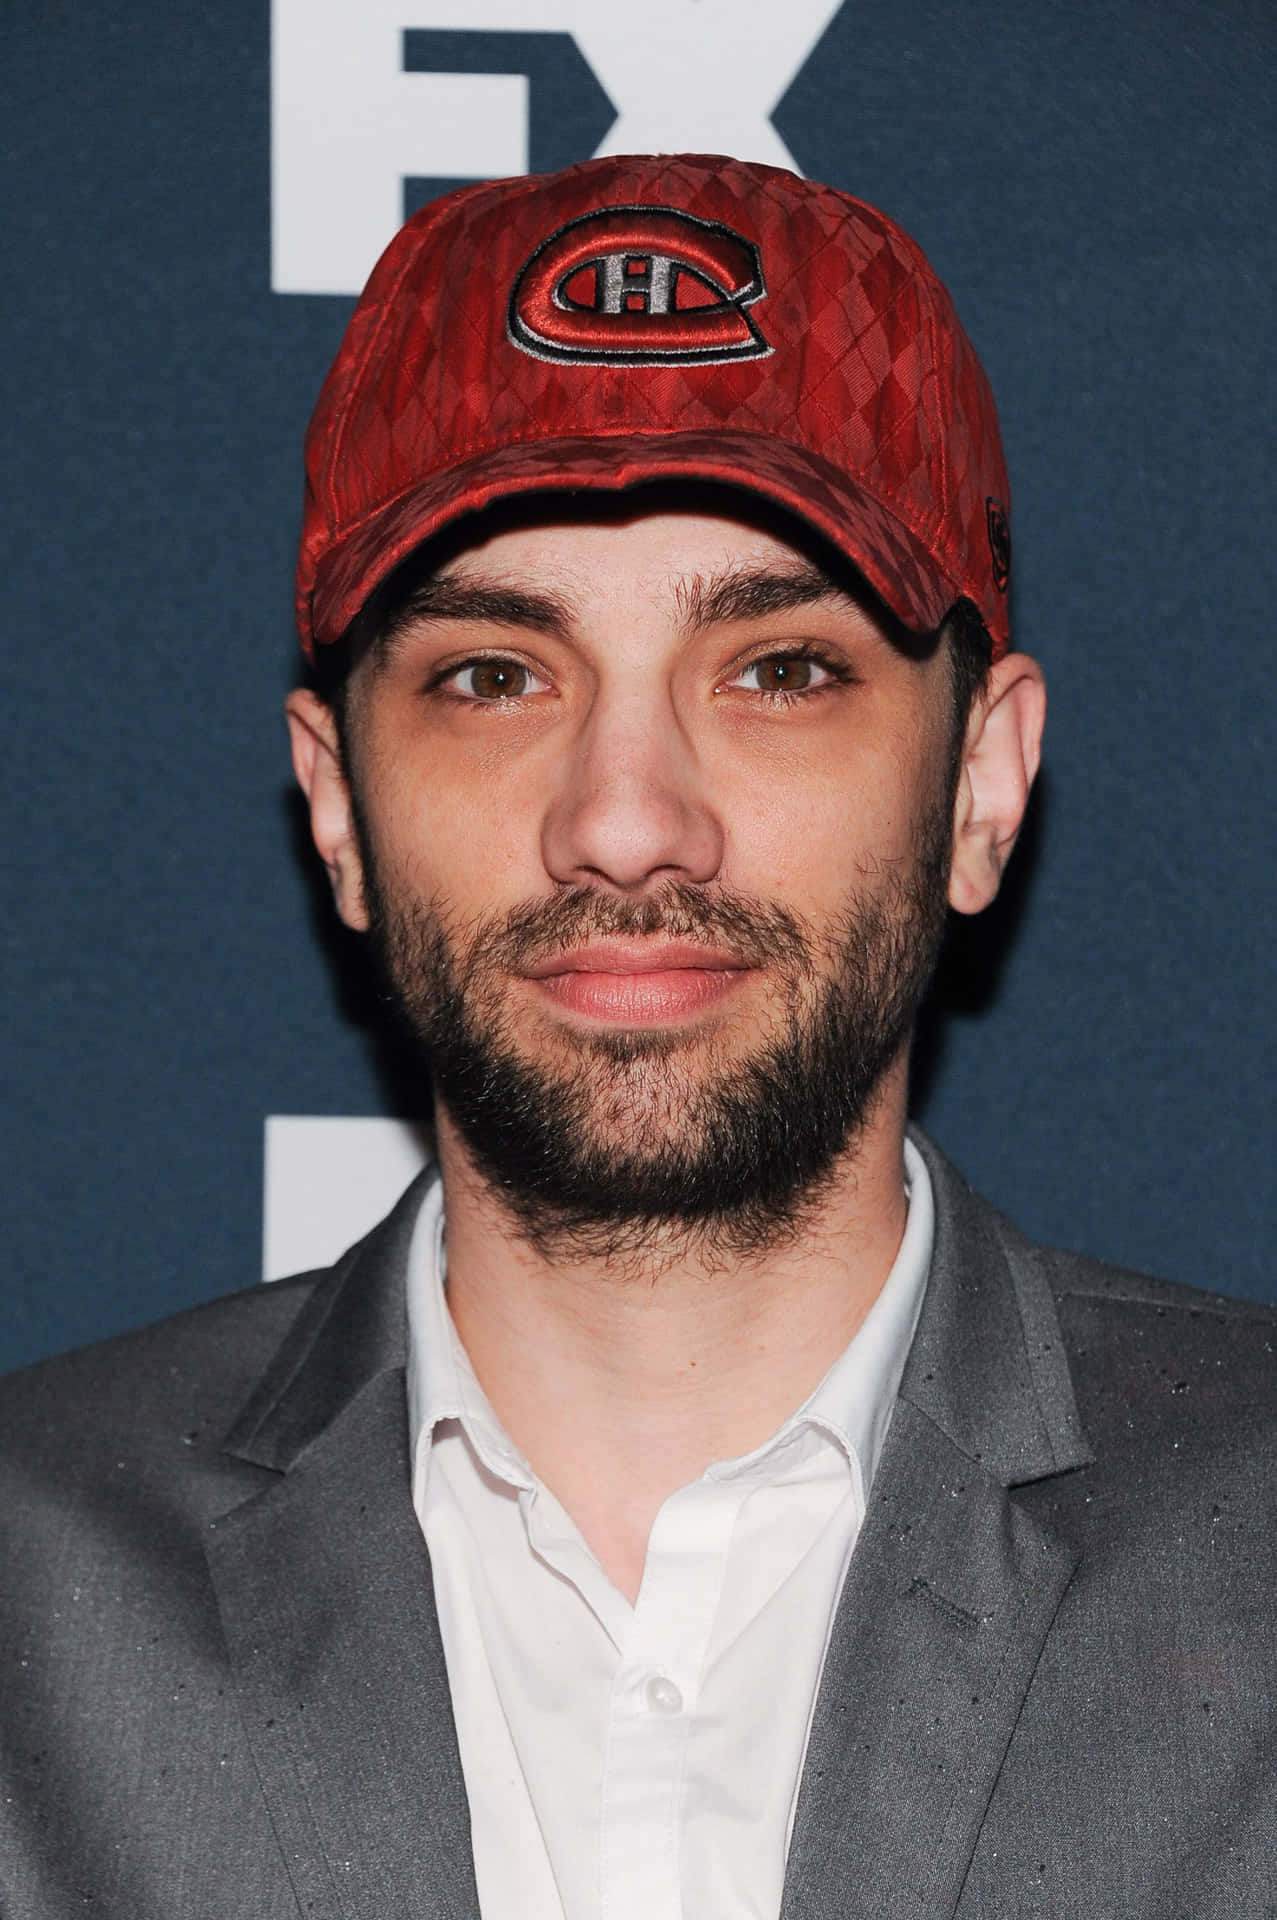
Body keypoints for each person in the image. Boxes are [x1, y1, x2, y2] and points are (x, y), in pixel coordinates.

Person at [1, 153, 1272, 1920]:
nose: (624, 819)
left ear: (981, 781)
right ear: (337, 810)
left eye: (780, 671)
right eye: (490, 677)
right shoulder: (25, 1588)